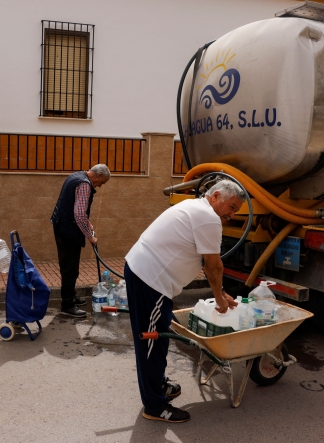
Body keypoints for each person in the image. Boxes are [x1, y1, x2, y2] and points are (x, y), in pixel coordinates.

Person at [125, 180, 246, 422]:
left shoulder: (196, 208)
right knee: (152, 343)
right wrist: (220, 300)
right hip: (151, 280)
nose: (231, 215)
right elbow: (213, 266)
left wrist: (220, 294)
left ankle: (158, 384)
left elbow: (204, 261)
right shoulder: (208, 217)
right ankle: (155, 405)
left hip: (147, 275)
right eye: (231, 207)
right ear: (216, 196)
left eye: (235, 211)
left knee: (158, 336)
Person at [51, 164, 111, 318]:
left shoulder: (76, 176)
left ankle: (71, 296)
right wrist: (89, 236)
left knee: (69, 267)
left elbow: (77, 210)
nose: (99, 186)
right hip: (68, 231)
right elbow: (78, 214)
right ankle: (67, 305)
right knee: (70, 269)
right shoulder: (85, 185)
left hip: (61, 226)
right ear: (97, 176)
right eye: (101, 182)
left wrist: (87, 224)